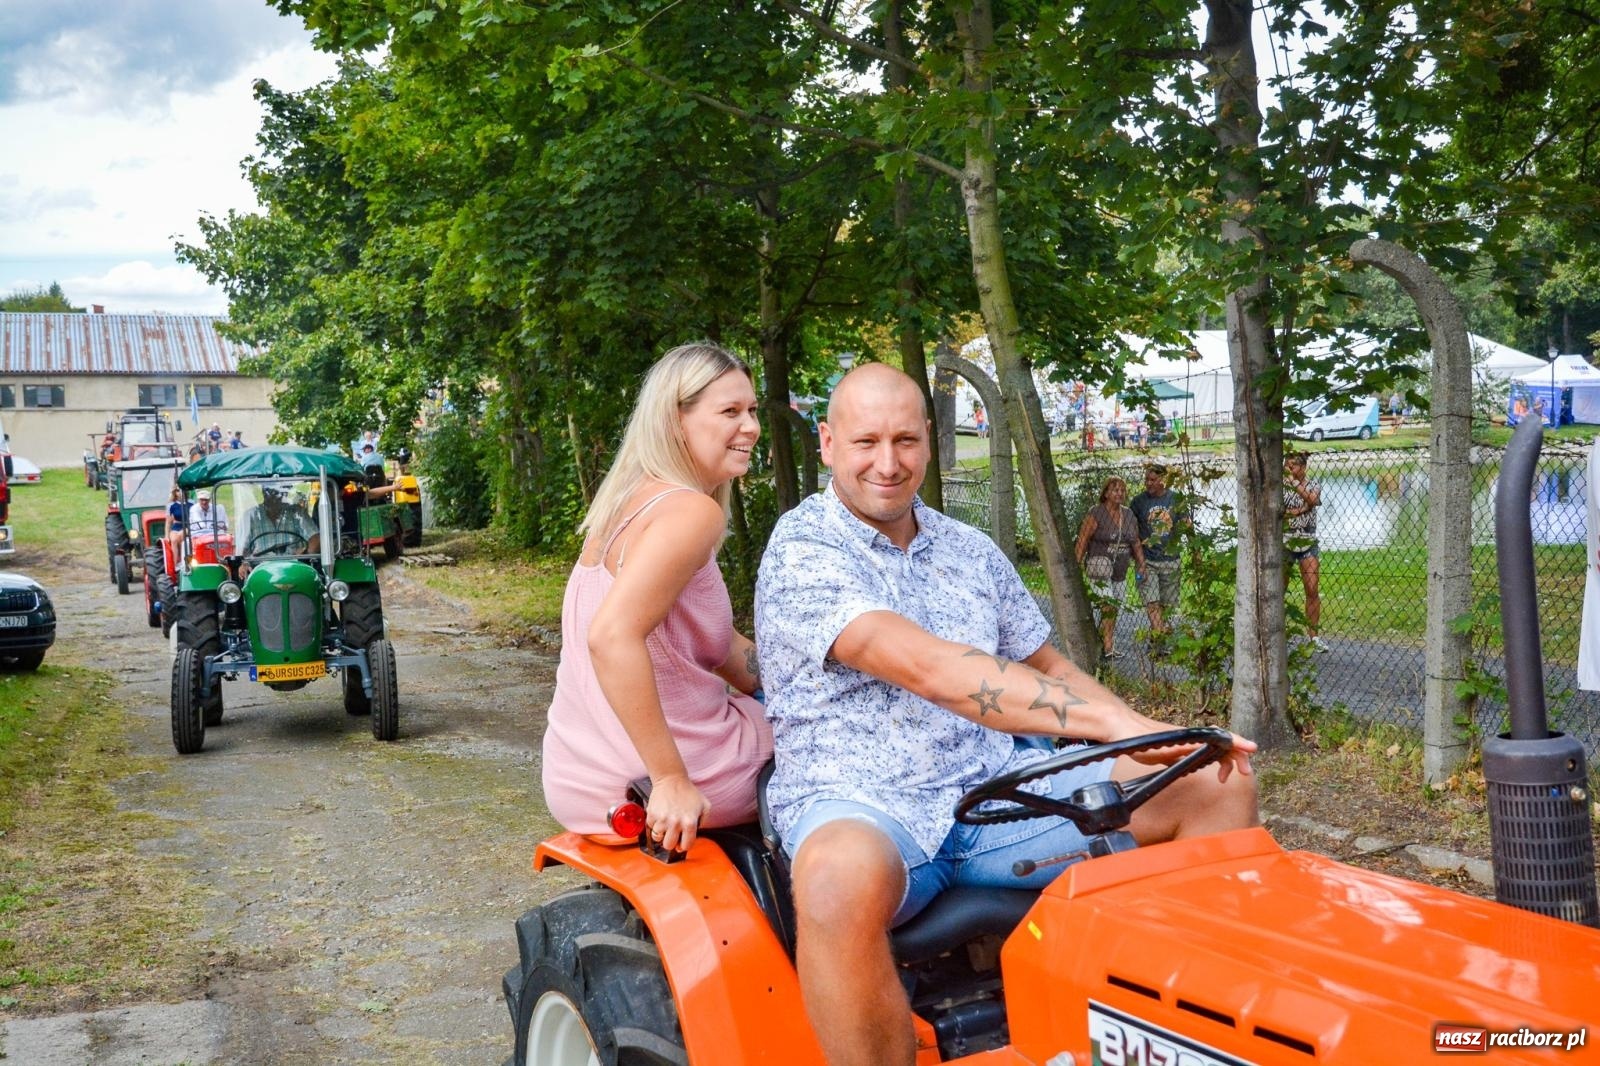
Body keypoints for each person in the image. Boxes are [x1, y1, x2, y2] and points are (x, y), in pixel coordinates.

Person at [754, 364, 1258, 1066]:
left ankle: (1170, 1034)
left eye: (905, 439)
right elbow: (933, 670)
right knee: (836, 879)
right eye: (866, 441)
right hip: (864, 804)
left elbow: (1050, 668)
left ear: (929, 440)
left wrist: (1151, 735)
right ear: (828, 444)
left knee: (1215, 785)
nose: (888, 462)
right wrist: (1114, 729)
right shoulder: (803, 551)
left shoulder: (970, 552)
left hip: (996, 794)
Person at [541, 342, 772, 853]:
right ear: (675, 421)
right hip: (662, 776)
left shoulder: (626, 502)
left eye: (752, 410)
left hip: (579, 775)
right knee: (846, 747)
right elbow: (610, 637)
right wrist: (669, 780)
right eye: (730, 411)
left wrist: (797, 678)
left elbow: (716, 648)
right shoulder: (690, 513)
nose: (751, 427)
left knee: (779, 709)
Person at [1073, 475, 1145, 660]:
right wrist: (1076, 566)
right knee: (1108, 604)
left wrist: (1141, 564)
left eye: (1122, 490)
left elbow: (1135, 542)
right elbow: (1083, 539)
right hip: (1099, 567)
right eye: (1115, 490)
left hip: (1120, 570)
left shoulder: (1128, 515)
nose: (1119, 493)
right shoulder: (1096, 513)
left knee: (1114, 607)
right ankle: (1108, 646)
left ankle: (1100, 642)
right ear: (1106, 493)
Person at [1130, 464, 1188, 639]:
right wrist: (1137, 559)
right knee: (1152, 602)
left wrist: (1196, 551)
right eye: (1146, 479)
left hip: (1171, 560)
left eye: (1153, 480)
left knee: (1167, 606)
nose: (1148, 483)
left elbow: (1187, 524)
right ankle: (1161, 642)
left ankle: (1157, 637)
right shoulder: (1138, 502)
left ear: (1163, 480)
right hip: (1147, 561)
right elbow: (1131, 532)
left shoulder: (1176, 499)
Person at [1283, 452, 1325, 651]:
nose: (1289, 470)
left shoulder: (1313, 484)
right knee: (1278, 589)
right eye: (1287, 466)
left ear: (1303, 468)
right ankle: (1277, 632)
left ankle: (1313, 638)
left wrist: (1295, 486)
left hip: (1307, 540)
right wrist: (1301, 510)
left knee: (1312, 589)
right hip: (1285, 541)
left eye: (1293, 466)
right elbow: (1280, 512)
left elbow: (1313, 500)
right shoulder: (1280, 486)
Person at [238, 484, 319, 556]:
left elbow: (315, 539)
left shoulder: (297, 512)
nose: (275, 497)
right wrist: (244, 564)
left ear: (285, 493)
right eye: (270, 492)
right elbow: (242, 550)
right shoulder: (250, 515)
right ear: (263, 492)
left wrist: (305, 554)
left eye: (278, 492)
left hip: (293, 566)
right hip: (261, 567)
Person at [165, 486, 188, 554]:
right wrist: (167, 535)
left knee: (182, 535)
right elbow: (168, 522)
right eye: (178, 491)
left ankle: (184, 559)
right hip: (177, 526)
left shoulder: (191, 503)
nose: (180, 492)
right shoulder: (171, 505)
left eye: (182, 490)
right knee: (174, 540)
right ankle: (174, 563)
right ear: (175, 493)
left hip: (189, 525)